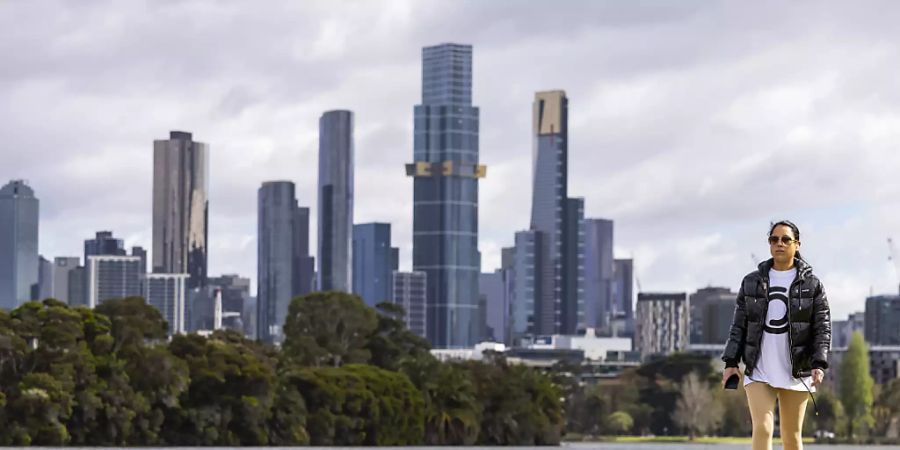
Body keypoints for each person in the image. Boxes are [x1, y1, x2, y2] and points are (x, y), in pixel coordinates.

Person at [721, 220, 831, 450]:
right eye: (774, 239)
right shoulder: (752, 282)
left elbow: (822, 327)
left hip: (796, 371)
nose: (779, 244)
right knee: (763, 428)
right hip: (758, 368)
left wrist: (819, 363)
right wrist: (731, 362)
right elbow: (739, 324)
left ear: (797, 244)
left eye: (785, 239)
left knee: (791, 437)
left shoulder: (813, 285)